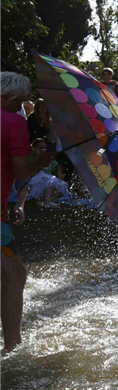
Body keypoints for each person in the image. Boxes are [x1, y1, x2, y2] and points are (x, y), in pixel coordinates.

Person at [2, 71, 54, 352]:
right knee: (14, 273)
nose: (23, 106)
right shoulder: (12, 121)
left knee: (11, 272)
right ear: (9, 97)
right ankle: (12, 346)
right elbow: (22, 170)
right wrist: (41, 161)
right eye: (21, 101)